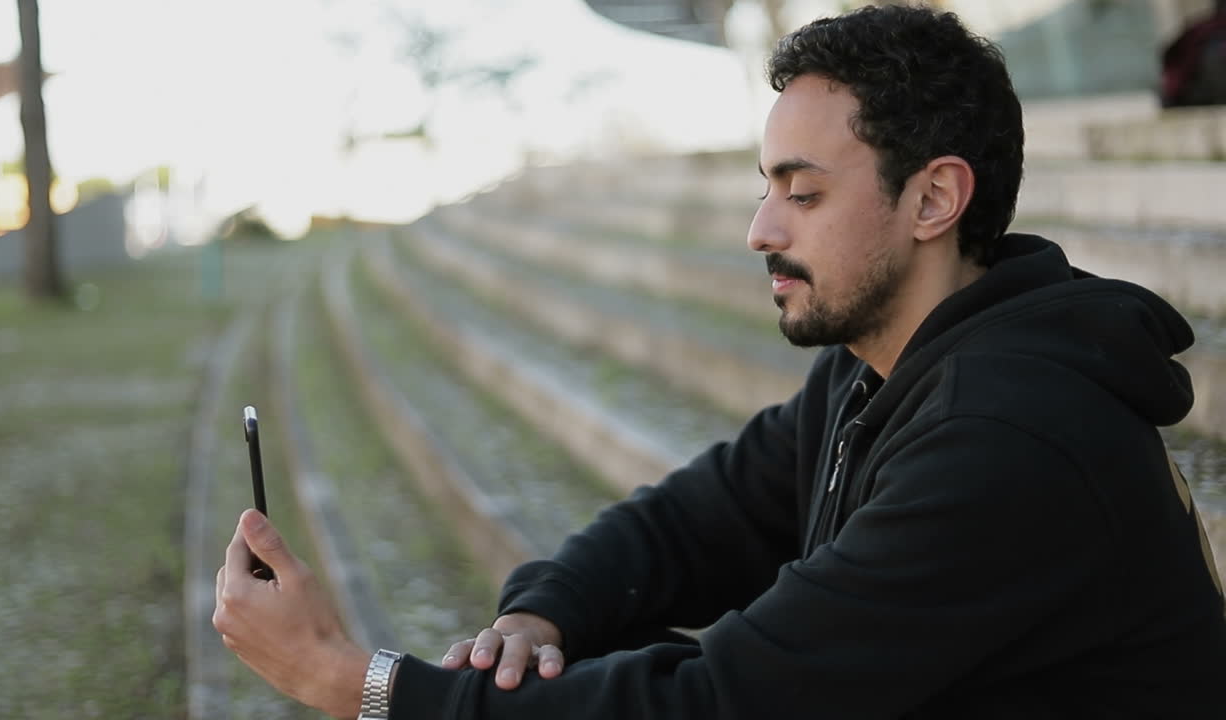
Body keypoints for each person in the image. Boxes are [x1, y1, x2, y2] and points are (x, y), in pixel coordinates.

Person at [213, 5, 1226, 718]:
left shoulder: (1010, 441)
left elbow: (726, 700)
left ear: (932, 200)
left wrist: (358, 684)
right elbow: (698, 519)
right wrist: (540, 610)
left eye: (803, 192)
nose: (758, 229)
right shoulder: (877, 366)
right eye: (763, 186)